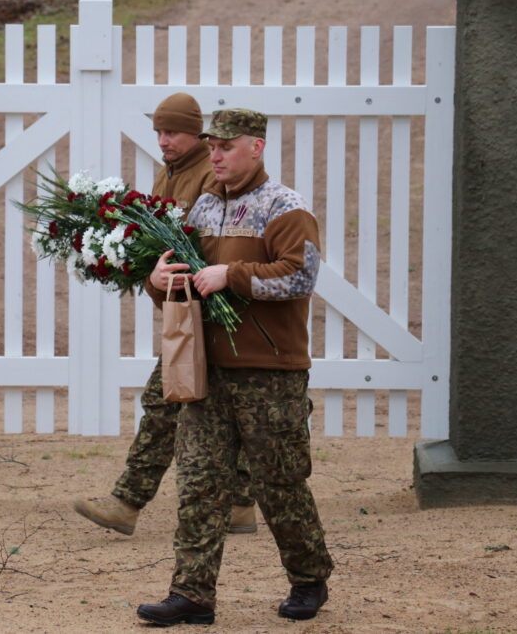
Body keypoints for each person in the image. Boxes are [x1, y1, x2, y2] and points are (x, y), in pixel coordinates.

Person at [135, 110, 334, 626]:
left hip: (270, 373)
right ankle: (191, 594)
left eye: (226, 147)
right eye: (212, 147)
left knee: (279, 482)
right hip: (209, 370)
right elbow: (184, 280)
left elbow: (300, 277)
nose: (216, 156)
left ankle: (308, 578)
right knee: (199, 482)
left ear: (256, 147)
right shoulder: (203, 207)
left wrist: (232, 275)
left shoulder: (285, 207)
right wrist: (159, 280)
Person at [72, 93, 258, 537]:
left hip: (213, 310)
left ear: (196, 133)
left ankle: (129, 502)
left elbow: (206, 243)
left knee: (167, 402)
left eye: (172, 131)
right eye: (158, 131)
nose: (163, 140)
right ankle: (238, 504)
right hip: (193, 308)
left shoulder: (210, 175)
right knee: (207, 407)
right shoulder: (170, 171)